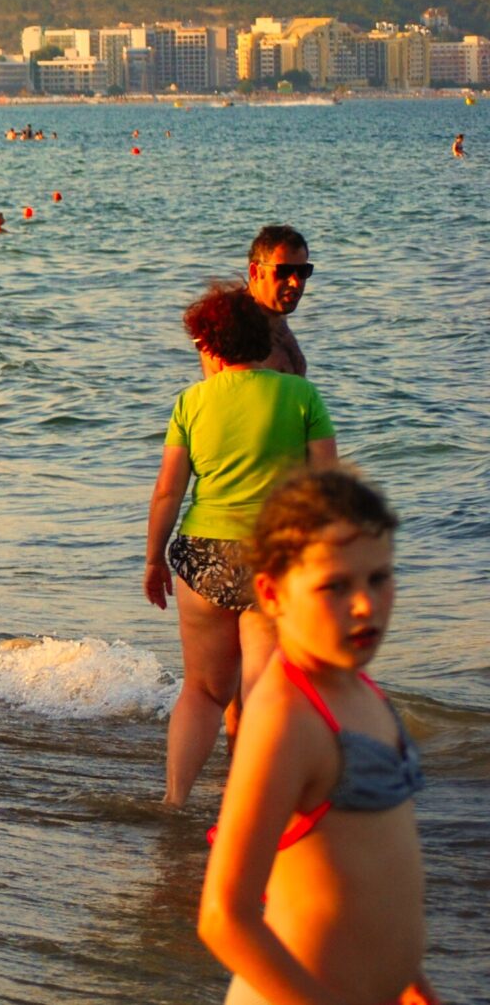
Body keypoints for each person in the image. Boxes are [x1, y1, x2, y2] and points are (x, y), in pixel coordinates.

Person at [198, 471, 432, 1005]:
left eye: (379, 578)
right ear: (272, 594)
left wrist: (410, 983)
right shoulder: (288, 717)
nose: (365, 605)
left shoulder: (359, 686)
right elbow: (224, 916)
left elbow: (372, 884)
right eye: (335, 586)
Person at [144, 282, 339, 806]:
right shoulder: (302, 395)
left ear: (209, 345)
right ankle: (255, 807)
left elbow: (168, 490)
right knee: (263, 689)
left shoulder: (191, 401)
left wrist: (153, 559)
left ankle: (175, 800)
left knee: (204, 691)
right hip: (274, 557)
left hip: (203, 554)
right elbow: (326, 485)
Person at [246, 225, 313, 377]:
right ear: (255, 272)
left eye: (303, 271)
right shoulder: (233, 327)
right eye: (284, 271)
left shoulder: (276, 312)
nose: (295, 282)